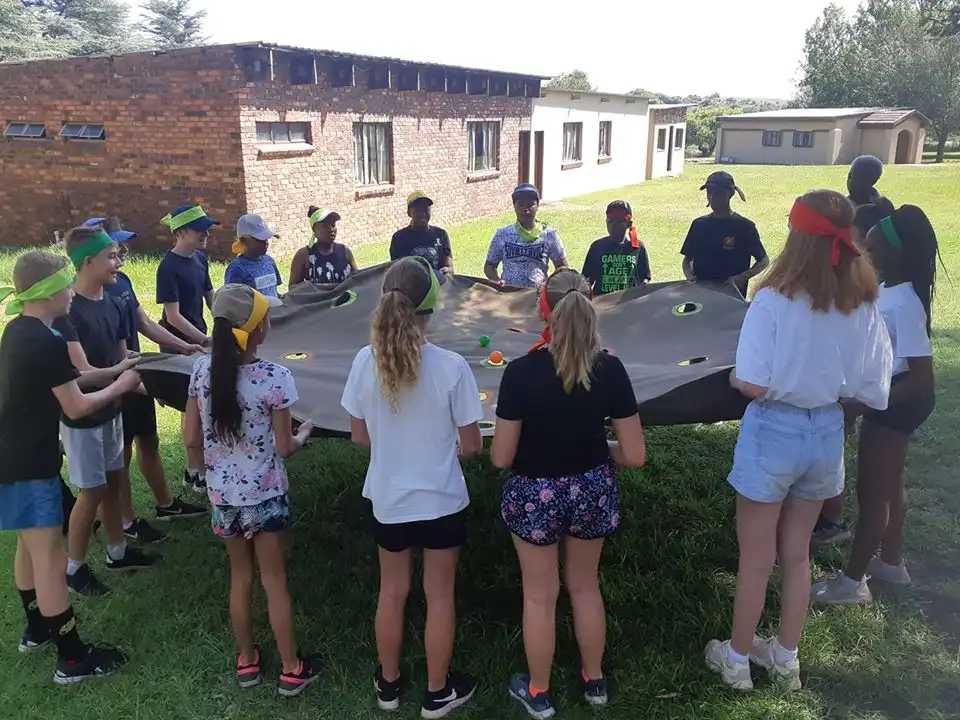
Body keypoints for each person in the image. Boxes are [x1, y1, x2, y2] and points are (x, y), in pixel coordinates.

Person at [704, 190, 892, 692]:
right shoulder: (863, 302)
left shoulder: (773, 300)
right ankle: (786, 658)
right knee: (797, 552)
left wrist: (737, 379)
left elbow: (752, 382)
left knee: (755, 556)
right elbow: (874, 387)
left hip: (774, 428)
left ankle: (737, 659)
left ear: (796, 236)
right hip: (826, 429)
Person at [490, 268, 646, 718]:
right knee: (584, 586)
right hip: (592, 491)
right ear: (590, 305)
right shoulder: (611, 369)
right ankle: (594, 681)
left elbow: (501, 458)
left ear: (544, 311)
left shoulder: (520, 373)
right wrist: (602, 448)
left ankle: (539, 691)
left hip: (534, 494)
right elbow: (634, 454)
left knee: (540, 596)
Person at [340, 256, 483, 718]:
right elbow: (471, 445)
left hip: (388, 500)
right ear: (431, 307)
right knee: (439, 596)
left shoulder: (364, 362)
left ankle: (389, 685)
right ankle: (437, 693)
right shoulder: (452, 366)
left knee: (392, 591)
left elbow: (359, 436)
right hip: (442, 501)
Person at [0, 251, 140, 683]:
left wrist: (113, 369)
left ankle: (36, 630)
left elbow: (64, 379)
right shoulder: (44, 340)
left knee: (29, 547)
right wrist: (120, 385)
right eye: (65, 285)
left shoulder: (20, 330)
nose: (71, 293)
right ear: (47, 292)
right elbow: (75, 406)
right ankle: (73, 659)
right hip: (28, 463)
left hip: (13, 457)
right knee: (49, 557)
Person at [184, 283, 323, 695]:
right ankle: (292, 668)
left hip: (223, 498)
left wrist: (203, 468)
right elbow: (284, 446)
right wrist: (303, 435)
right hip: (266, 498)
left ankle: (246, 660)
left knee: (240, 576)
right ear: (258, 328)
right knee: (274, 580)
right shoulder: (275, 378)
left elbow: (190, 437)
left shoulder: (201, 372)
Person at [813, 206, 938, 605]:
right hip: (890, 396)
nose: (865, 254)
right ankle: (890, 562)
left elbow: (921, 379)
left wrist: (861, 405)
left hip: (897, 401)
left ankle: (852, 583)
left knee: (872, 495)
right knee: (889, 485)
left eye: (872, 249)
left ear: (895, 255)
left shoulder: (904, 303)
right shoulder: (891, 290)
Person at [82, 217, 205, 545]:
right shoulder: (88, 296)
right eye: (114, 247)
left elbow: (144, 322)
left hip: (134, 371)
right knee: (119, 457)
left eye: (121, 246)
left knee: (149, 439)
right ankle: (125, 521)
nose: (122, 252)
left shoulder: (121, 281)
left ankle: (165, 504)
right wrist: (135, 381)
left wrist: (184, 345)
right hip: (114, 384)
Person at [56, 226, 161, 597]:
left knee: (115, 481)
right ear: (87, 262)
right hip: (83, 418)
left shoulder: (114, 303)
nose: (119, 263)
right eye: (111, 257)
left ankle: (117, 552)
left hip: (112, 410)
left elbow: (122, 357)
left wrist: (158, 380)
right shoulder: (67, 312)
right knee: (91, 492)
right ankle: (74, 569)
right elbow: (81, 373)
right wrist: (122, 378)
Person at [813, 196, 895, 544]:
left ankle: (831, 519)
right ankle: (823, 515)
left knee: (832, 455)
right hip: (837, 391)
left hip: (840, 394)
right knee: (829, 454)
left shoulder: (862, 294)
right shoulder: (858, 288)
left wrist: (851, 403)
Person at [157, 203, 217, 494]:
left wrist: (224, 325)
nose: (206, 234)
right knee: (189, 407)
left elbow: (211, 297)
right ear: (180, 232)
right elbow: (173, 316)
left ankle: (195, 468)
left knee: (201, 406)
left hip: (199, 341)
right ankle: (197, 470)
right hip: (178, 343)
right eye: (199, 229)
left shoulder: (200, 259)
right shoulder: (168, 266)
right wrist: (203, 340)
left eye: (207, 229)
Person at [681, 171, 769, 298]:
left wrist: (742, 277)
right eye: (709, 192)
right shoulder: (699, 225)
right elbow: (687, 259)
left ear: (730, 194)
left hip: (731, 297)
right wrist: (689, 275)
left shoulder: (745, 227)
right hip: (699, 296)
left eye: (717, 193)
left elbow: (763, 260)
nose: (712, 198)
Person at [484, 184, 567, 290]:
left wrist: (549, 284)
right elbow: (489, 266)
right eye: (521, 205)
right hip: (508, 294)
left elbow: (562, 266)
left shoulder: (549, 235)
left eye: (530, 205)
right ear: (514, 206)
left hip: (537, 295)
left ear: (537, 206)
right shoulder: (502, 234)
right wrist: (496, 280)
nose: (526, 210)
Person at [581, 200, 651, 295]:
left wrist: (644, 285)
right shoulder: (597, 247)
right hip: (602, 300)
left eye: (619, 222)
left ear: (628, 224)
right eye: (610, 221)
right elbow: (586, 279)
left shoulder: (637, 247)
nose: (613, 225)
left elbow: (645, 277)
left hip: (629, 300)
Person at [390, 191, 454, 283]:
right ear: (409, 213)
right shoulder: (399, 238)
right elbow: (396, 271)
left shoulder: (441, 235)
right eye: (417, 210)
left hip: (439, 284)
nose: (422, 214)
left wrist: (447, 271)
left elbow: (449, 266)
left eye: (426, 209)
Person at [289, 207, 358, 285]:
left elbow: (358, 280)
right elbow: (293, 288)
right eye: (325, 226)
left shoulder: (345, 252)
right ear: (314, 230)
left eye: (333, 225)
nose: (331, 229)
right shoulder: (304, 255)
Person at [225, 214, 284, 298]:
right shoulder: (236, 268)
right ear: (244, 240)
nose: (266, 243)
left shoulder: (269, 261)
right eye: (260, 240)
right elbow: (231, 298)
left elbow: (274, 290)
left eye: (266, 239)